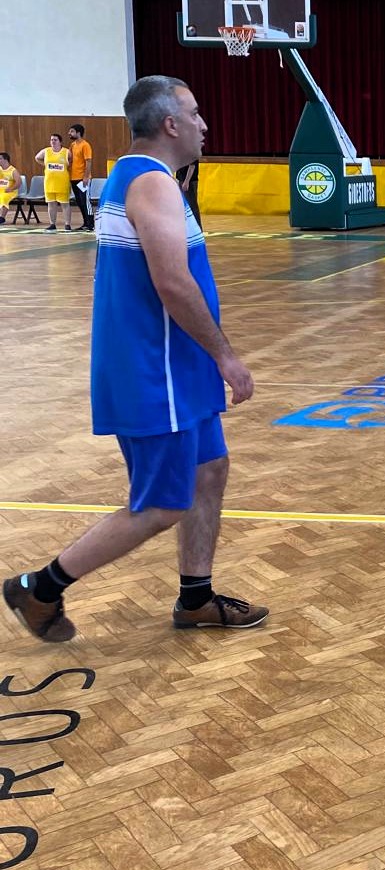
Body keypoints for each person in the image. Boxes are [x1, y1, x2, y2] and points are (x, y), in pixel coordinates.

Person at [3, 76, 267, 643]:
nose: (203, 124)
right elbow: (172, 282)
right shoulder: (150, 183)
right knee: (161, 504)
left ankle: (195, 598)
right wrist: (226, 356)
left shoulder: (142, 176)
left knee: (209, 470)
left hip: (177, 364)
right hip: (156, 370)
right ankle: (39, 587)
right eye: (194, 114)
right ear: (170, 124)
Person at [35, 132, 71, 231]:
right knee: (51, 204)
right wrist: (45, 165)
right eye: (51, 140)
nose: (53, 142)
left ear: (60, 142)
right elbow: (37, 158)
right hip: (49, 182)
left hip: (62, 182)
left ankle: (67, 224)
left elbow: (70, 162)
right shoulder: (46, 151)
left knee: (65, 204)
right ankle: (52, 224)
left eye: (55, 140)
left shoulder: (66, 152)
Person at [66, 122, 95, 232]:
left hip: (83, 178)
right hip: (73, 178)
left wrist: (86, 177)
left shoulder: (85, 145)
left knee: (85, 201)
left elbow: (88, 161)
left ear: (78, 133)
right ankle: (85, 223)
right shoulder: (72, 145)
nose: (69, 133)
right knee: (79, 201)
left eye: (72, 131)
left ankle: (90, 224)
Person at [177, 159, 201, 230]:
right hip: (181, 180)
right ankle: (187, 227)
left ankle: (197, 228)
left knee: (192, 206)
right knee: (184, 206)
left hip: (189, 182)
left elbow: (192, 166)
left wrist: (187, 181)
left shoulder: (191, 153)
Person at [0, 152, 18, 224]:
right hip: (1, 190)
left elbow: (19, 182)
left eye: (0, 159)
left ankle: (2, 218)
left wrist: (11, 189)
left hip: (10, 191)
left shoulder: (13, 170)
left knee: (3, 197)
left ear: (6, 160)